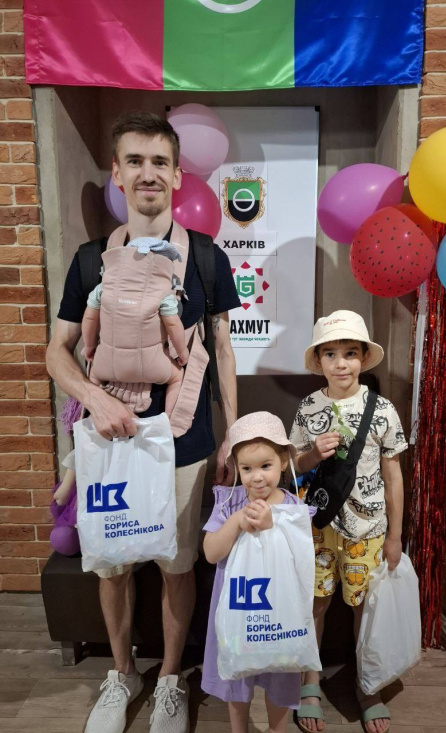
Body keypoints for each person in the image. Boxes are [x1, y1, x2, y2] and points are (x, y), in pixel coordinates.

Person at [46, 111, 241, 733]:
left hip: (184, 440)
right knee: (112, 565)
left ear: (179, 175)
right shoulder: (89, 262)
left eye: (160, 162)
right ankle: (122, 673)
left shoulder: (207, 259)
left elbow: (223, 349)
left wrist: (233, 433)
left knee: (177, 566)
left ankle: (169, 681)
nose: (148, 173)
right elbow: (57, 352)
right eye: (135, 161)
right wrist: (94, 398)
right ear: (117, 173)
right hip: (110, 440)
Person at [289, 310, 407, 733]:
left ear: (363, 358)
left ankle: (368, 684)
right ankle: (309, 682)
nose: (341, 363)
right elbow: (292, 467)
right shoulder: (309, 407)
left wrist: (395, 536)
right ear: (319, 360)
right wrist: (311, 454)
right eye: (331, 354)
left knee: (365, 610)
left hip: (369, 531)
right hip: (317, 528)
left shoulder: (383, 410)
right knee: (315, 603)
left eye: (350, 353)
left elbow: (394, 476)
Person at [201, 412, 316, 733]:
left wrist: (274, 524)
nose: (256, 478)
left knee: (281, 681)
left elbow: (301, 559)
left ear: (283, 461)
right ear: (236, 468)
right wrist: (237, 522)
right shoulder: (229, 503)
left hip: (280, 617)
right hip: (239, 613)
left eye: (265, 466)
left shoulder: (294, 510)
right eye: (247, 469)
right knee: (237, 681)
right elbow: (211, 553)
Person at [81, 236, 189, 416]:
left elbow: (90, 319)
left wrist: (90, 346)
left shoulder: (103, 288)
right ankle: (169, 420)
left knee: (94, 375)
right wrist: (182, 352)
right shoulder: (163, 294)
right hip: (152, 365)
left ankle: (96, 413)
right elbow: (173, 324)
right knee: (177, 377)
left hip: (107, 363)